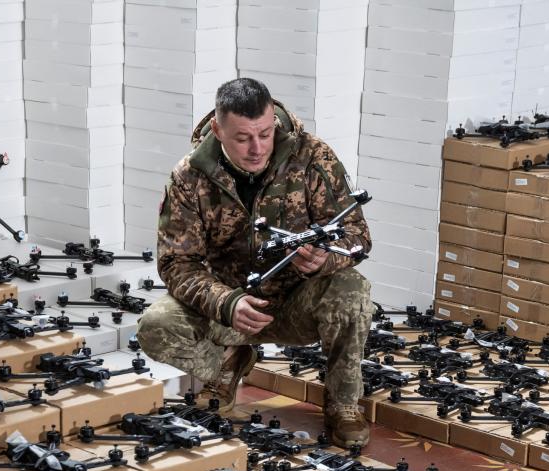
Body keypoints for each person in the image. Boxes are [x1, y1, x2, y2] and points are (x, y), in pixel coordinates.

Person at [136, 77, 374, 447]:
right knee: (155, 325)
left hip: (297, 303)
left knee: (353, 291)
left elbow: (357, 234)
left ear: (273, 121)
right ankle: (228, 363)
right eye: (243, 138)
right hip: (230, 310)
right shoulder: (189, 176)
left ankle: (343, 403)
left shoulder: (313, 157)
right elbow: (176, 263)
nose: (257, 148)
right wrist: (225, 302)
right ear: (218, 130)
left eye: (264, 134)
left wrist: (326, 257)